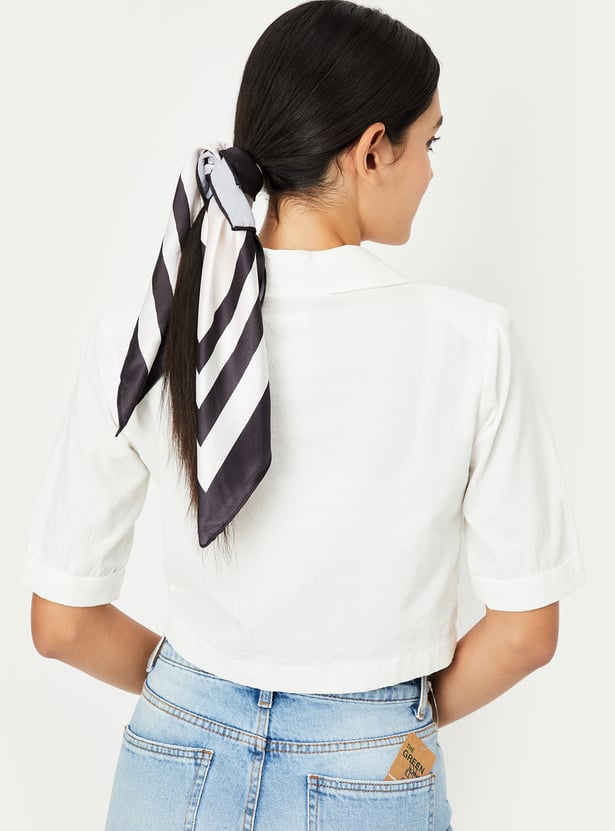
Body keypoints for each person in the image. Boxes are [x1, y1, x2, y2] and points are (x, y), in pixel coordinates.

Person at [21, 2, 585, 829]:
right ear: (371, 149)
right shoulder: (471, 342)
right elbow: (526, 632)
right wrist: (381, 729)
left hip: (173, 750)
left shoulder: (149, 335)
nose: (431, 173)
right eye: (428, 143)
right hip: (370, 763)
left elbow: (62, 624)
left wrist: (199, 697)